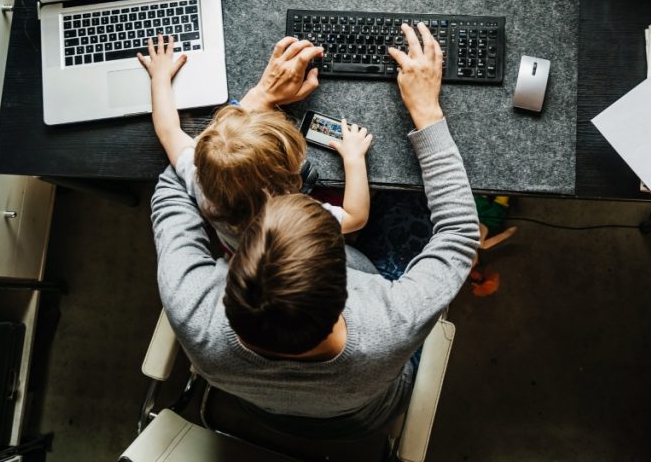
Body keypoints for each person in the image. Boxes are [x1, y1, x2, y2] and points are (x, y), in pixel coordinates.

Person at [150, 23, 480, 436]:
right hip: (366, 415)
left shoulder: (190, 309)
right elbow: (460, 235)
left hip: (259, 409)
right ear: (347, 284)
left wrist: (255, 104)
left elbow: (173, 186)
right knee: (406, 204)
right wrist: (426, 111)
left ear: (228, 279)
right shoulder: (389, 323)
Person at [138, 35, 373, 250]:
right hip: (288, 247)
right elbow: (356, 217)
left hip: (238, 247)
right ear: (289, 179)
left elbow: (168, 130)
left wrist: (159, 78)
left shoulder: (199, 178)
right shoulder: (295, 218)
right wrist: (354, 159)